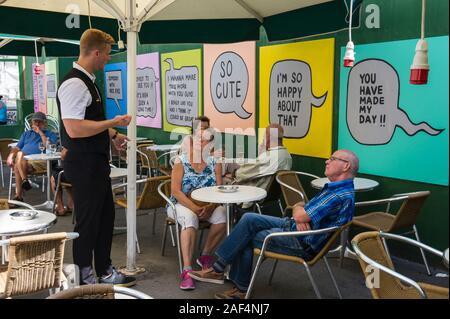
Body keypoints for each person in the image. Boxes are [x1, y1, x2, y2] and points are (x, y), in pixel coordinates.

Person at [188, 149, 359, 299]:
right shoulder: (337, 189)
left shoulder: (337, 195)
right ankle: (220, 270)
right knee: (248, 218)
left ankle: (233, 282)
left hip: (300, 242)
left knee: (244, 236)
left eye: (332, 158)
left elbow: (301, 213)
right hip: (294, 226)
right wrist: (299, 214)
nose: (327, 161)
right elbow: (300, 208)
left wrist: (300, 215)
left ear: (345, 166)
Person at [56, 28, 134, 286]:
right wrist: (114, 122)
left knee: (104, 218)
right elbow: (74, 128)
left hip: (95, 163)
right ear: (96, 52)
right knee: (88, 222)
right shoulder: (74, 83)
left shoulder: (87, 80)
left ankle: (104, 269)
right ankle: (84, 275)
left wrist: (112, 134)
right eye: (108, 54)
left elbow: (91, 121)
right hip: (83, 164)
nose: (108, 59)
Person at [170, 128, 227, 290]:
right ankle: (187, 270)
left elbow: (219, 188)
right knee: (190, 218)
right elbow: (175, 192)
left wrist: (211, 206)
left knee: (223, 214)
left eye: (204, 140)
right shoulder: (180, 161)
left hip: (207, 205)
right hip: (181, 204)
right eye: (197, 139)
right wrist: (194, 208)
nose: (199, 142)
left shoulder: (215, 162)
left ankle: (205, 256)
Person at [6, 111, 58, 201]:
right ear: (31, 123)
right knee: (19, 155)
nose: (37, 124)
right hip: (25, 162)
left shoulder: (50, 134)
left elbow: (48, 146)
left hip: (40, 161)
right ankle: (24, 183)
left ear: (45, 123)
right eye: (35, 121)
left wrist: (40, 133)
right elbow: (17, 147)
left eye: (40, 121)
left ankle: (18, 195)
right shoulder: (26, 134)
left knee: (17, 166)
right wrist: (10, 156)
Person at [227, 124, 292, 189]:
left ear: (269, 137)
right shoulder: (287, 155)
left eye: (264, 136)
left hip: (255, 191)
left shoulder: (269, 156)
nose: (263, 139)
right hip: (272, 194)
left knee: (223, 179)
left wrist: (234, 174)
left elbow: (243, 173)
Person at [50, 147, 74, 216]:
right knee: (67, 173)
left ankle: (60, 208)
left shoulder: (73, 141)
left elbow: (63, 156)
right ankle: (71, 204)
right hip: (91, 174)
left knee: (54, 177)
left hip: (76, 175)